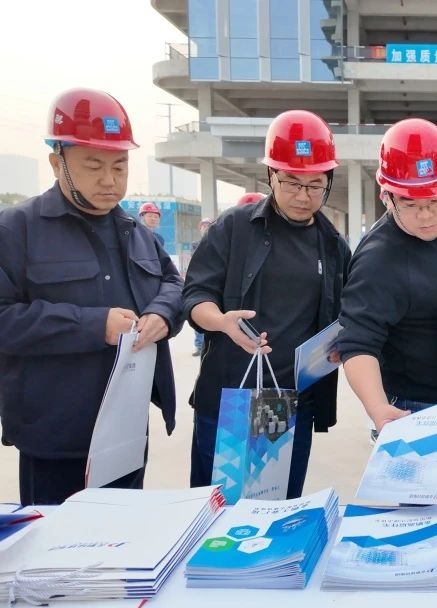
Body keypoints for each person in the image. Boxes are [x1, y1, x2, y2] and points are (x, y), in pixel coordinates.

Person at [0, 88, 183, 505]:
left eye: (119, 166)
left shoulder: (136, 232)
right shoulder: (16, 230)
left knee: (123, 537)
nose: (109, 180)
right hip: (55, 438)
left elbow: (174, 285)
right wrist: (92, 325)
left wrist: (162, 314)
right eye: (94, 166)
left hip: (126, 434)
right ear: (57, 162)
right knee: (56, 542)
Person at [183, 109, 351, 499]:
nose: (303, 196)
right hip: (231, 398)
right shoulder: (234, 228)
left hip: (289, 403)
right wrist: (220, 321)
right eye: (291, 182)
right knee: (216, 509)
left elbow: (348, 313)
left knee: (277, 509)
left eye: (315, 185)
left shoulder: (333, 245)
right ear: (270, 175)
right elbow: (194, 295)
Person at [337, 119, 437, 506]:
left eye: (436, 201)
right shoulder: (378, 260)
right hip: (420, 412)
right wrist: (377, 408)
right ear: (387, 197)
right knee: (423, 522)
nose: (427, 216)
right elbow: (358, 344)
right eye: (411, 204)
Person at [191, 217, 213, 357]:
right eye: (203, 226)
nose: (206, 228)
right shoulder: (196, 244)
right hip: (199, 282)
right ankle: (199, 346)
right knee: (198, 315)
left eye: (208, 225)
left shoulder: (220, 243)